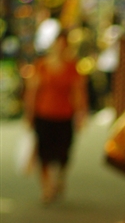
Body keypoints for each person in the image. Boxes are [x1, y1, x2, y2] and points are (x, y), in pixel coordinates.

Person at [24, 30, 88, 203]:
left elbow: (78, 91)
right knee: (44, 152)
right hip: (44, 114)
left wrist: (81, 113)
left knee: (63, 151)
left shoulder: (72, 66)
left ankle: (59, 179)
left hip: (65, 115)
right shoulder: (41, 65)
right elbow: (33, 91)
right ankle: (46, 188)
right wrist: (29, 114)